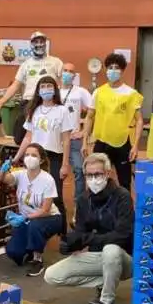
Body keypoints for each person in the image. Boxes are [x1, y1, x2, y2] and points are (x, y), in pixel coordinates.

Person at [44, 153, 134, 304]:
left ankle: (106, 303)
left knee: (111, 249)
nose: (94, 179)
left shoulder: (122, 196)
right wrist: (70, 244)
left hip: (125, 259)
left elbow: (122, 235)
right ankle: (106, 281)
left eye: (98, 174)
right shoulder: (84, 200)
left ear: (107, 174)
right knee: (52, 276)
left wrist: (89, 239)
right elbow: (80, 232)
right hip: (100, 258)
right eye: (89, 175)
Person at [15, 76, 71, 229]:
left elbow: (66, 140)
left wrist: (65, 165)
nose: (46, 89)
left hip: (54, 157)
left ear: (55, 90)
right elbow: (28, 137)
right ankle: (34, 225)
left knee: (56, 195)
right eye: (43, 86)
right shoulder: (34, 111)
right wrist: (17, 157)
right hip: (35, 157)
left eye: (49, 86)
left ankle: (63, 231)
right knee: (34, 193)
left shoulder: (62, 110)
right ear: (38, 91)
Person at [0, 143, 63, 276]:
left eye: (34, 155)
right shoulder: (20, 175)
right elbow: (4, 179)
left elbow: (45, 210)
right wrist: (3, 170)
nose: (29, 158)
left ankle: (37, 260)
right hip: (28, 219)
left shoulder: (47, 180)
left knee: (35, 226)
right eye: (27, 154)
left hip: (49, 218)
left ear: (41, 160)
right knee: (13, 252)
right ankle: (29, 248)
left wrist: (25, 217)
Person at [83, 52, 143, 191]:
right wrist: (85, 141)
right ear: (106, 70)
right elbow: (90, 117)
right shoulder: (98, 92)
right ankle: (96, 210)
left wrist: (135, 145)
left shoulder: (131, 93)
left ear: (122, 71)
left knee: (124, 182)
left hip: (122, 143)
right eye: (110, 67)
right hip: (101, 142)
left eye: (116, 68)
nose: (113, 71)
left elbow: (139, 120)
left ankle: (126, 211)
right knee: (97, 179)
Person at [0, 31, 63, 145]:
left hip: (48, 103)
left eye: (42, 41)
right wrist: (1, 102)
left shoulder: (56, 62)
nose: (39, 44)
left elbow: (62, 83)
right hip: (28, 103)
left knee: (47, 136)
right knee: (19, 137)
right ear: (31, 44)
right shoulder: (26, 64)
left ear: (45, 43)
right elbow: (16, 84)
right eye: (36, 42)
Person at [59, 62, 94, 210]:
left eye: (70, 71)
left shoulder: (81, 92)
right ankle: (56, 205)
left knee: (80, 171)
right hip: (55, 141)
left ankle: (79, 206)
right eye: (65, 70)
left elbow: (92, 113)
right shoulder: (53, 91)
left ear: (74, 75)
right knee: (55, 172)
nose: (67, 73)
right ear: (60, 73)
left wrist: (83, 132)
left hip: (74, 140)